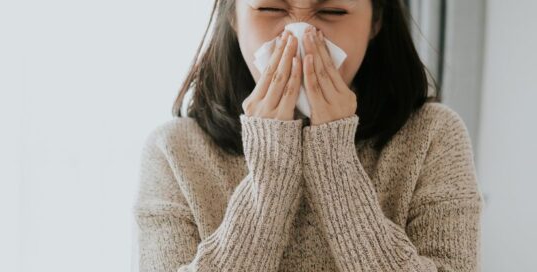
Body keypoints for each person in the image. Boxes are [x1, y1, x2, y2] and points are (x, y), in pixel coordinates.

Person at [132, 0, 484, 271]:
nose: (298, 35)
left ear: (376, 20)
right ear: (233, 15)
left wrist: (334, 161)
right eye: (271, 7)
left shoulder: (433, 136)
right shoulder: (173, 151)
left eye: (332, 10)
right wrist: (270, 171)